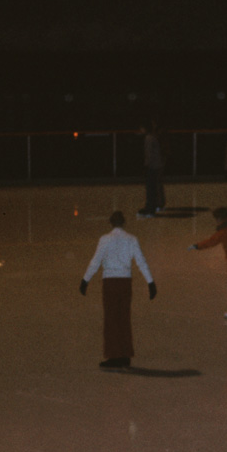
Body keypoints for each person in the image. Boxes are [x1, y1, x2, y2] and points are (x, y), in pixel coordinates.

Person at [80, 211, 157, 369]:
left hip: (110, 282)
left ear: (111, 223)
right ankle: (125, 355)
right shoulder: (131, 239)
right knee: (124, 318)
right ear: (124, 223)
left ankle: (114, 356)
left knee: (111, 319)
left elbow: (95, 261)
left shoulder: (105, 239)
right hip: (125, 282)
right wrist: (150, 282)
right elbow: (141, 262)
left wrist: (85, 280)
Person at [138, 122, 165, 219]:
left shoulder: (148, 138)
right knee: (152, 189)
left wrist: (146, 166)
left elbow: (149, 155)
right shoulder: (153, 137)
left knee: (150, 189)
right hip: (156, 166)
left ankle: (150, 209)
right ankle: (151, 208)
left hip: (152, 167)